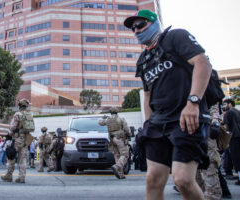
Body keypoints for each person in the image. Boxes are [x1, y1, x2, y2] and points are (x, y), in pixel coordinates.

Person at [123, 9, 212, 200]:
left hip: (186, 118)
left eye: (141, 25)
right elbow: (147, 95)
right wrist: (148, 123)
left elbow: (202, 63)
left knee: (183, 180)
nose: (137, 31)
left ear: (155, 23)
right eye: (133, 28)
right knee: (153, 179)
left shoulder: (175, 37)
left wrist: (193, 102)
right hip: (158, 123)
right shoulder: (143, 59)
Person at [1, 98, 34, 183]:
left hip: (17, 139)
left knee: (11, 157)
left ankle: (9, 175)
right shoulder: (29, 115)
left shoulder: (18, 114)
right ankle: (21, 177)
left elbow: (12, 127)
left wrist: (9, 134)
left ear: (19, 105)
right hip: (26, 139)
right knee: (22, 159)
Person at [99, 107, 131, 179]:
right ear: (117, 112)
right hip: (120, 138)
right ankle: (116, 166)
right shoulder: (121, 119)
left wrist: (103, 117)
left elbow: (100, 123)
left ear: (110, 112)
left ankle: (120, 174)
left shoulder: (107, 120)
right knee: (124, 155)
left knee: (116, 155)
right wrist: (129, 135)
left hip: (112, 139)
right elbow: (127, 129)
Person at [222, 99, 240, 185]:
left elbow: (226, 127)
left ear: (230, 104)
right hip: (238, 136)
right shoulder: (237, 111)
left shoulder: (228, 113)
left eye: (225, 104)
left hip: (233, 137)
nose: (224, 106)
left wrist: (224, 140)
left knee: (236, 159)